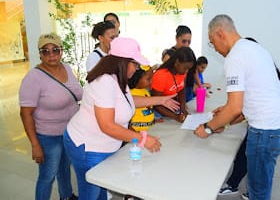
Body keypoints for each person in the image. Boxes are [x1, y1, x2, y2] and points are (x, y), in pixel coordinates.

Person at [63, 37, 179, 200]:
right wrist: (142, 139)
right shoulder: (104, 81)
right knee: (91, 193)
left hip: (104, 145)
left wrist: (160, 100)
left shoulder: (118, 78)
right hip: (87, 145)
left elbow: (127, 102)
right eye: (135, 64)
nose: (136, 68)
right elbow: (107, 126)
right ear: (123, 61)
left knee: (102, 191)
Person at [194, 14, 280, 200]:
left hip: (266, 131)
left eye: (211, 41)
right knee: (263, 178)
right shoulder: (255, 48)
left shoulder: (235, 57)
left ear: (220, 33)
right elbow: (248, 101)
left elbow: (235, 108)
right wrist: (225, 119)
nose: (214, 48)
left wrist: (208, 128)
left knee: (258, 190)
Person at [219, 37, 280, 199]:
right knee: (258, 163)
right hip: (271, 126)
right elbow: (243, 108)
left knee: (253, 160)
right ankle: (241, 186)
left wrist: (214, 126)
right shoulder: (265, 70)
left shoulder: (259, 74)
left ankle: (241, 187)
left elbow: (239, 109)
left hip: (266, 128)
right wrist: (226, 115)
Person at [19, 33, 82, 200]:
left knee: (64, 169)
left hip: (69, 132)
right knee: (47, 176)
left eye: (55, 49)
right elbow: (25, 113)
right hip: (48, 136)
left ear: (61, 51)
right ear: (39, 54)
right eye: (45, 51)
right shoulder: (33, 78)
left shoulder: (67, 68)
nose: (51, 54)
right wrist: (35, 144)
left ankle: (67, 196)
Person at [151, 47, 196, 123]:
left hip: (172, 109)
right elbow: (156, 103)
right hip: (159, 111)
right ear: (177, 62)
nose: (186, 71)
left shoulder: (182, 72)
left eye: (189, 68)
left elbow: (181, 90)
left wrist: (183, 108)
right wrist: (175, 117)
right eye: (185, 68)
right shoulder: (161, 75)